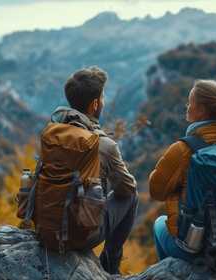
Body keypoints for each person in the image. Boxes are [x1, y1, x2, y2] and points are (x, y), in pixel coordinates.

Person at [149, 79, 216, 266]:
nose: (186, 106)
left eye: (190, 102)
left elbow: (156, 191)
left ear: (202, 110)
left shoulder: (182, 149)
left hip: (194, 250)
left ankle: (172, 273)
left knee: (159, 223)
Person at [53, 66, 138, 275]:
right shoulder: (103, 145)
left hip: (48, 228)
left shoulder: (54, 133)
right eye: (103, 96)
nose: (104, 100)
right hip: (78, 237)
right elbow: (126, 189)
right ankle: (111, 266)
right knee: (133, 196)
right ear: (95, 104)